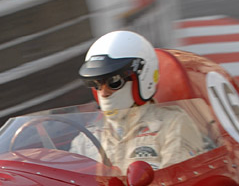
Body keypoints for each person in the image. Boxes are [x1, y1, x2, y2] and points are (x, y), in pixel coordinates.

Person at [71, 31, 204, 171]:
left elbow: (179, 184)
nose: (104, 93)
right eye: (96, 83)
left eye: (114, 82)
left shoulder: (173, 125)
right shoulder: (86, 139)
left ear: (142, 79)